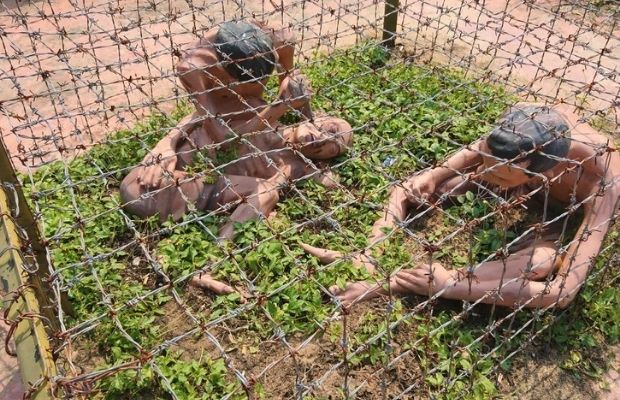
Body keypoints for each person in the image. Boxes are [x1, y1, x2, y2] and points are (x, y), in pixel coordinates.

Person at [303, 103, 620, 309]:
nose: (486, 171)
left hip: (558, 212)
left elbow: (564, 292)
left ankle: (404, 281)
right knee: (412, 187)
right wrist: (435, 174)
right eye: (488, 162)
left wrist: (453, 288)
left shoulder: (603, 182)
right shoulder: (527, 124)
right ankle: (371, 253)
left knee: (543, 262)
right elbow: (478, 151)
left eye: (499, 172)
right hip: (528, 180)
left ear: (544, 171)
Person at [119, 114, 353, 294]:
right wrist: (165, 144)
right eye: (329, 129)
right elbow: (200, 113)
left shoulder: (297, 165)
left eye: (330, 147)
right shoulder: (264, 117)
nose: (322, 140)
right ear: (318, 115)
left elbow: (332, 182)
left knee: (268, 190)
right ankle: (210, 262)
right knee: (265, 189)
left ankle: (210, 263)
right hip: (147, 181)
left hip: (184, 192)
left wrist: (309, 167)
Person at [176, 20, 312, 145]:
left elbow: (293, 86)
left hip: (254, 110)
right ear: (223, 72)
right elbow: (223, 140)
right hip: (225, 115)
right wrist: (280, 105)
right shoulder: (191, 69)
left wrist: (308, 118)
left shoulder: (281, 39)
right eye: (244, 82)